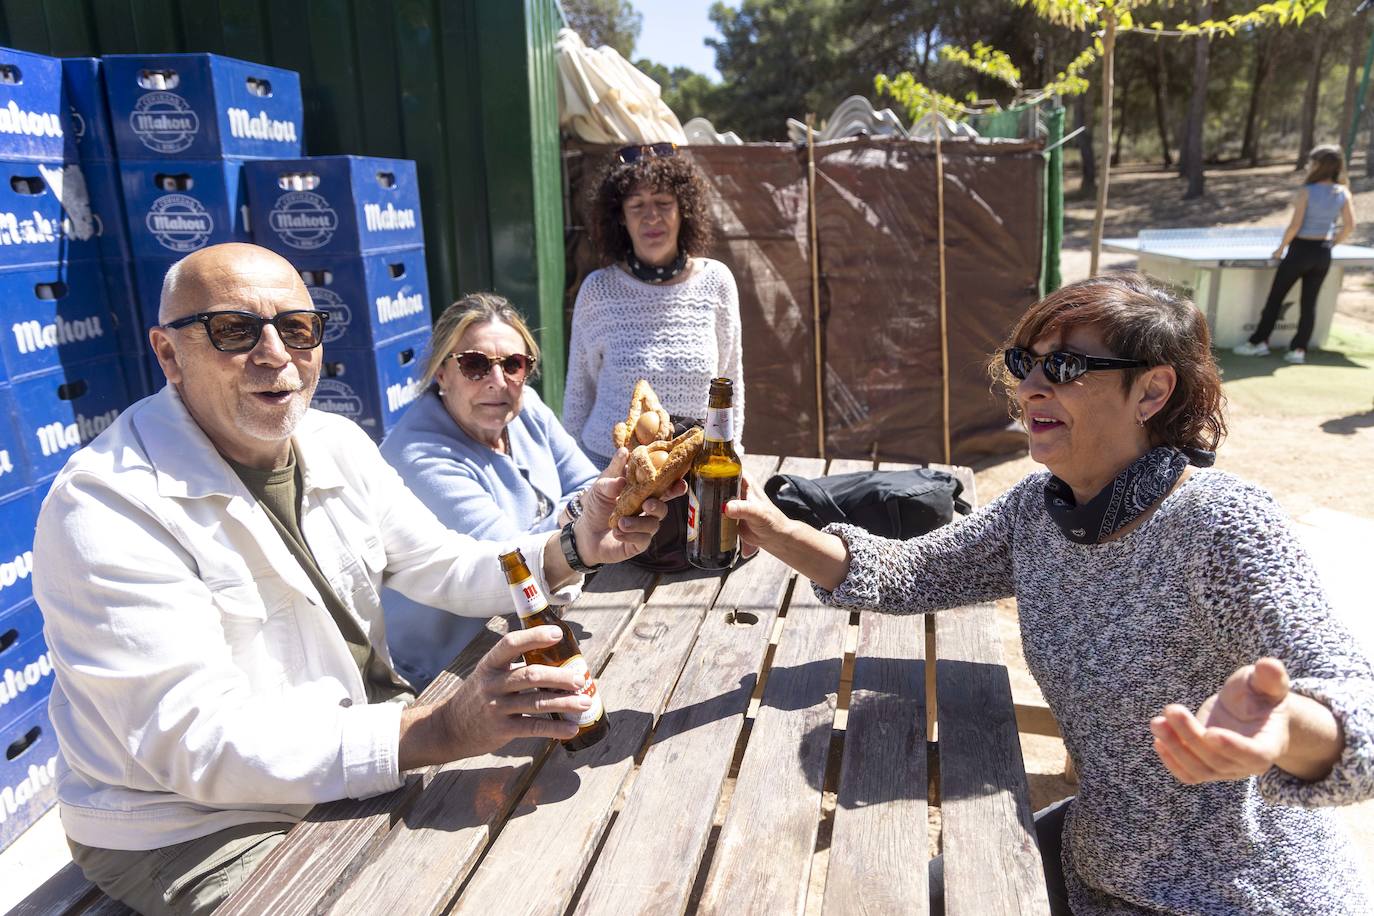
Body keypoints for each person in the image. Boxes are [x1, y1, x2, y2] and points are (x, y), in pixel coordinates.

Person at [31, 244, 681, 916]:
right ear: (168, 355)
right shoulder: (106, 505)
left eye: (297, 328)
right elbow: (194, 744)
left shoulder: (334, 441)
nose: (275, 355)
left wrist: (573, 544)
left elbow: (444, 562)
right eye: (234, 330)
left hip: (358, 749)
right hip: (195, 825)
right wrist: (435, 731)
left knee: (585, 852)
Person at [725, 273, 1374, 915]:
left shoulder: (1219, 522)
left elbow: (1359, 704)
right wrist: (779, 530)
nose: (1031, 386)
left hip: (1245, 897)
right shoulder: (1039, 510)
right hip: (1100, 865)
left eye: (1065, 366)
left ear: (1151, 390)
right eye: (1023, 363)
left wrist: (1290, 727)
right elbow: (913, 573)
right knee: (900, 898)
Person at [379, 292, 600, 689]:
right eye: (475, 364)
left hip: (521, 630)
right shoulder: (421, 455)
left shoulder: (526, 407)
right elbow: (516, 565)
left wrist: (574, 512)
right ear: (441, 373)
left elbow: (587, 485)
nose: (498, 382)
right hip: (444, 670)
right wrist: (580, 514)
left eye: (513, 365)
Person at [563, 142, 744, 467]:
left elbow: (731, 382)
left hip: (693, 471)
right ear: (619, 217)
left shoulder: (717, 281)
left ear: (683, 208)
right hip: (607, 471)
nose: (652, 217)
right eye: (637, 205)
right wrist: (574, 482)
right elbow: (579, 394)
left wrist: (729, 462)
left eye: (663, 202)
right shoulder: (598, 289)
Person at [1235, 144, 1357, 365]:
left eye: (1312, 162)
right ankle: (1298, 350)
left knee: (1275, 299)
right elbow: (1350, 226)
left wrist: (1281, 249)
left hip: (1299, 251)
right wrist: (1331, 244)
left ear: (1318, 165)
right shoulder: (1343, 192)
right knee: (1309, 304)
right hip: (1322, 254)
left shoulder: (1307, 191)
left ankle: (1258, 343)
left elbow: (1295, 226)